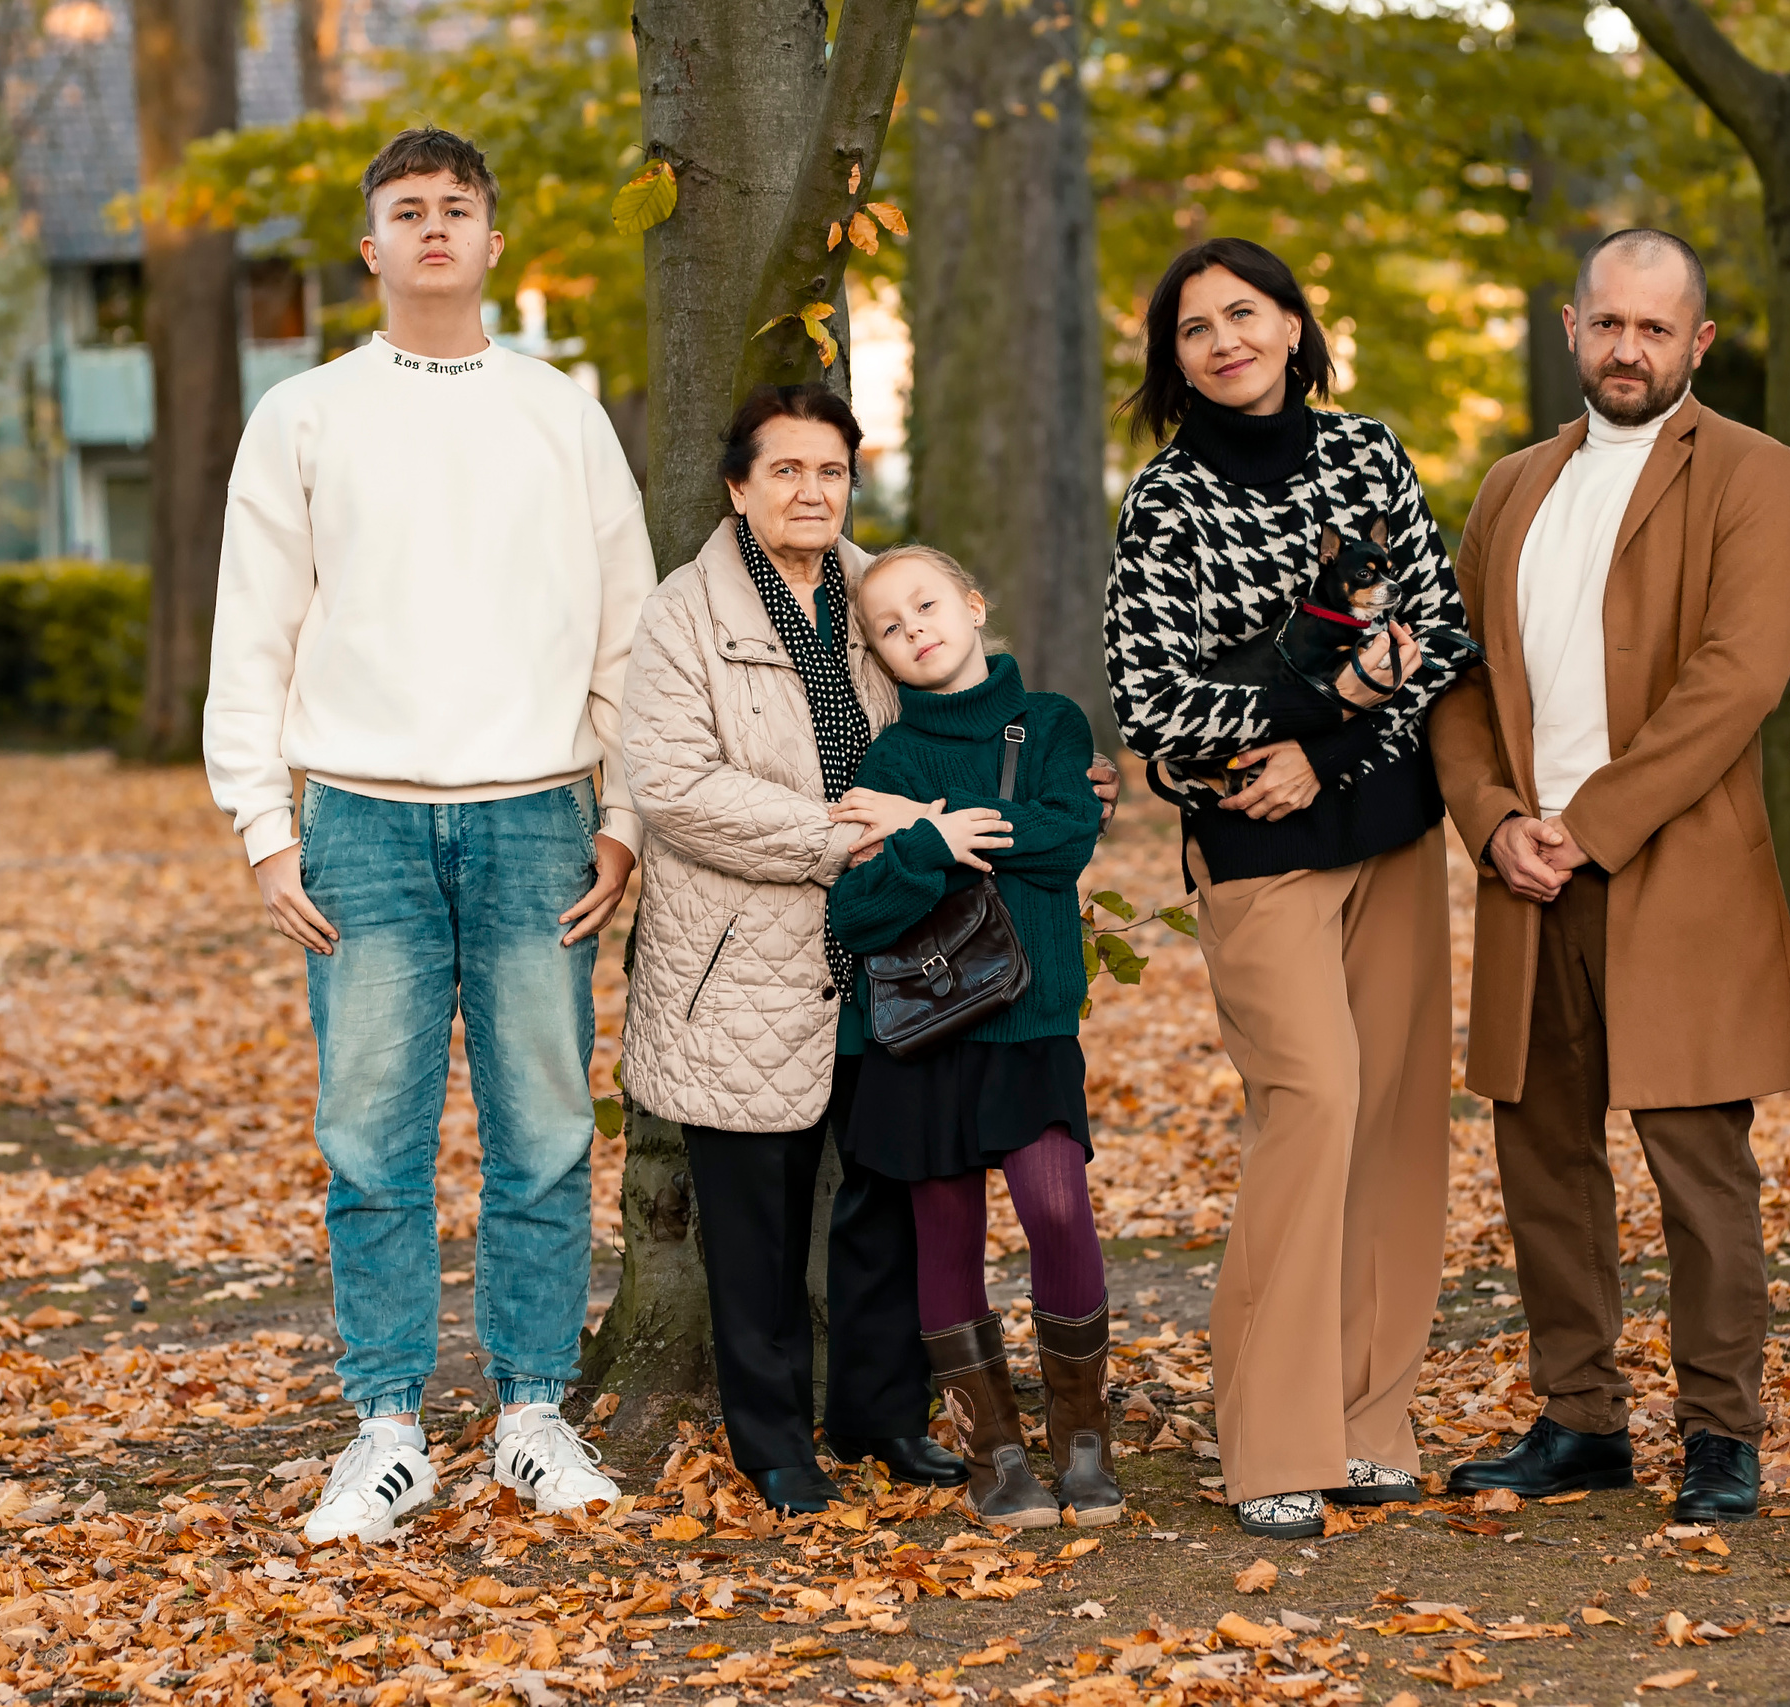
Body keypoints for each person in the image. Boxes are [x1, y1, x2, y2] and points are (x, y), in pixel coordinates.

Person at [204, 127, 641, 1542]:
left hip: (535, 815)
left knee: (547, 1131)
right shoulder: (305, 415)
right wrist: (265, 825)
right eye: (410, 210)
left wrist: (624, 813)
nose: (436, 227)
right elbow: (253, 627)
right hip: (363, 819)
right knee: (371, 1141)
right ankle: (385, 1424)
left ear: (495, 242)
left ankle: (531, 1411)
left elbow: (625, 628)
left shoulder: (561, 413)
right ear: (373, 246)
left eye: (460, 206)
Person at [618, 388, 1121, 1514]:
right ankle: (774, 1443)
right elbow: (675, 788)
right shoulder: (683, 613)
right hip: (748, 958)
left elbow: (962, 697)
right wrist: (866, 830)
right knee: (755, 1214)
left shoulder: (871, 589)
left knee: (891, 1199)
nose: (811, 490)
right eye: (785, 470)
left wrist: (1064, 775)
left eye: (831, 470)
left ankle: (881, 1415)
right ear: (738, 488)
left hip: (905, 952)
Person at [1428, 229, 1790, 1524]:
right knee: (1541, 1156)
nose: (1629, 348)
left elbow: (1738, 678)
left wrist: (1588, 822)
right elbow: (1463, 681)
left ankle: (1722, 1433)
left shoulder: (1755, 476)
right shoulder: (1510, 486)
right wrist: (1492, 822)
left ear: (1699, 341)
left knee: (1699, 1166)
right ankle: (1580, 1417)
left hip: (1677, 871)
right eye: (1609, 323)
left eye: (1657, 328)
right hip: (1529, 878)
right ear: (1571, 324)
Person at [1105, 237, 1472, 1540]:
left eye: (1242, 313)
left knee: (1394, 1122)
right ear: (1175, 361)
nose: (1222, 340)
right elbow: (1154, 701)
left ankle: (1370, 1420)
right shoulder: (1167, 502)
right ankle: (1268, 1435)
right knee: (1310, 1104)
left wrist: (1321, 745)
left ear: (1295, 326)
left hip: (1387, 827)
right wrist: (1314, 713)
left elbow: (1433, 633)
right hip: (1258, 851)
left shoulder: (1366, 455)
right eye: (1194, 327)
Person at [826, 546, 1112, 1529]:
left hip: (1028, 1025)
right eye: (890, 629)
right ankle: (996, 1454)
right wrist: (926, 838)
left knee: (1058, 1210)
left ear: (972, 601)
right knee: (945, 1237)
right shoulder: (890, 757)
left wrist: (931, 823)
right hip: (924, 1031)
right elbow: (860, 913)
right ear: (880, 655)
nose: (915, 630)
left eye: (927, 605)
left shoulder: (1054, 726)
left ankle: (1082, 1440)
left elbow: (1064, 840)